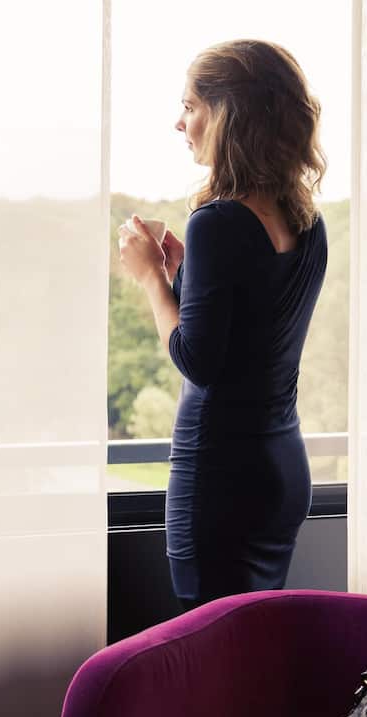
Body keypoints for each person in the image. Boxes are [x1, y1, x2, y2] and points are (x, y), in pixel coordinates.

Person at [116, 39, 328, 611]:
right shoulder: (308, 223)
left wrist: (151, 279)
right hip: (281, 468)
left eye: (189, 106)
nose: (179, 121)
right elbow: (256, 324)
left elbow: (199, 359)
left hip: (219, 476)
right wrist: (186, 266)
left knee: (212, 654)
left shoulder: (217, 221)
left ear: (227, 113)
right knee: (250, 646)